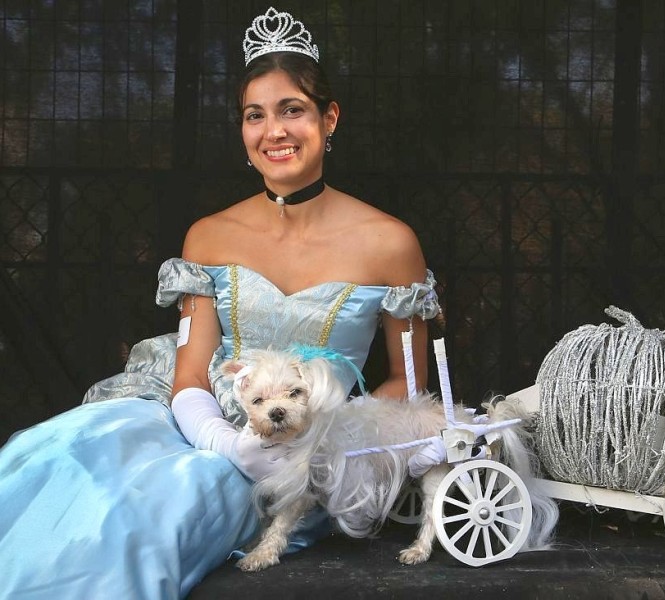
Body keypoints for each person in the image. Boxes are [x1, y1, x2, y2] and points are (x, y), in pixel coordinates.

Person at [0, 8, 440, 599]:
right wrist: (227, 442)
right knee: (58, 463)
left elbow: (408, 386)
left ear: (328, 119)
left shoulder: (391, 242)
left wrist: (319, 444)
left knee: (151, 517)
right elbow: (188, 376)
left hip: (303, 450)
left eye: (292, 110)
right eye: (255, 115)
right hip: (196, 421)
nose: (273, 131)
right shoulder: (208, 237)